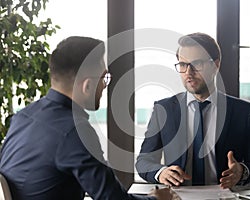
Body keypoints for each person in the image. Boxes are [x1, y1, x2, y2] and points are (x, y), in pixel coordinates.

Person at [0, 36, 178, 200]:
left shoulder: (23, 117)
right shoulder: (74, 131)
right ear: (87, 85)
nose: (105, 86)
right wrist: (157, 199)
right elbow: (112, 198)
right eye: (104, 78)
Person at [136, 32, 250, 189]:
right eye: (183, 65)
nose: (188, 73)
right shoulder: (163, 110)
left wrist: (242, 172)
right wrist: (161, 172)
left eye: (196, 64)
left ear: (215, 65)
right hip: (178, 197)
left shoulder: (242, 112)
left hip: (224, 196)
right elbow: (143, 161)